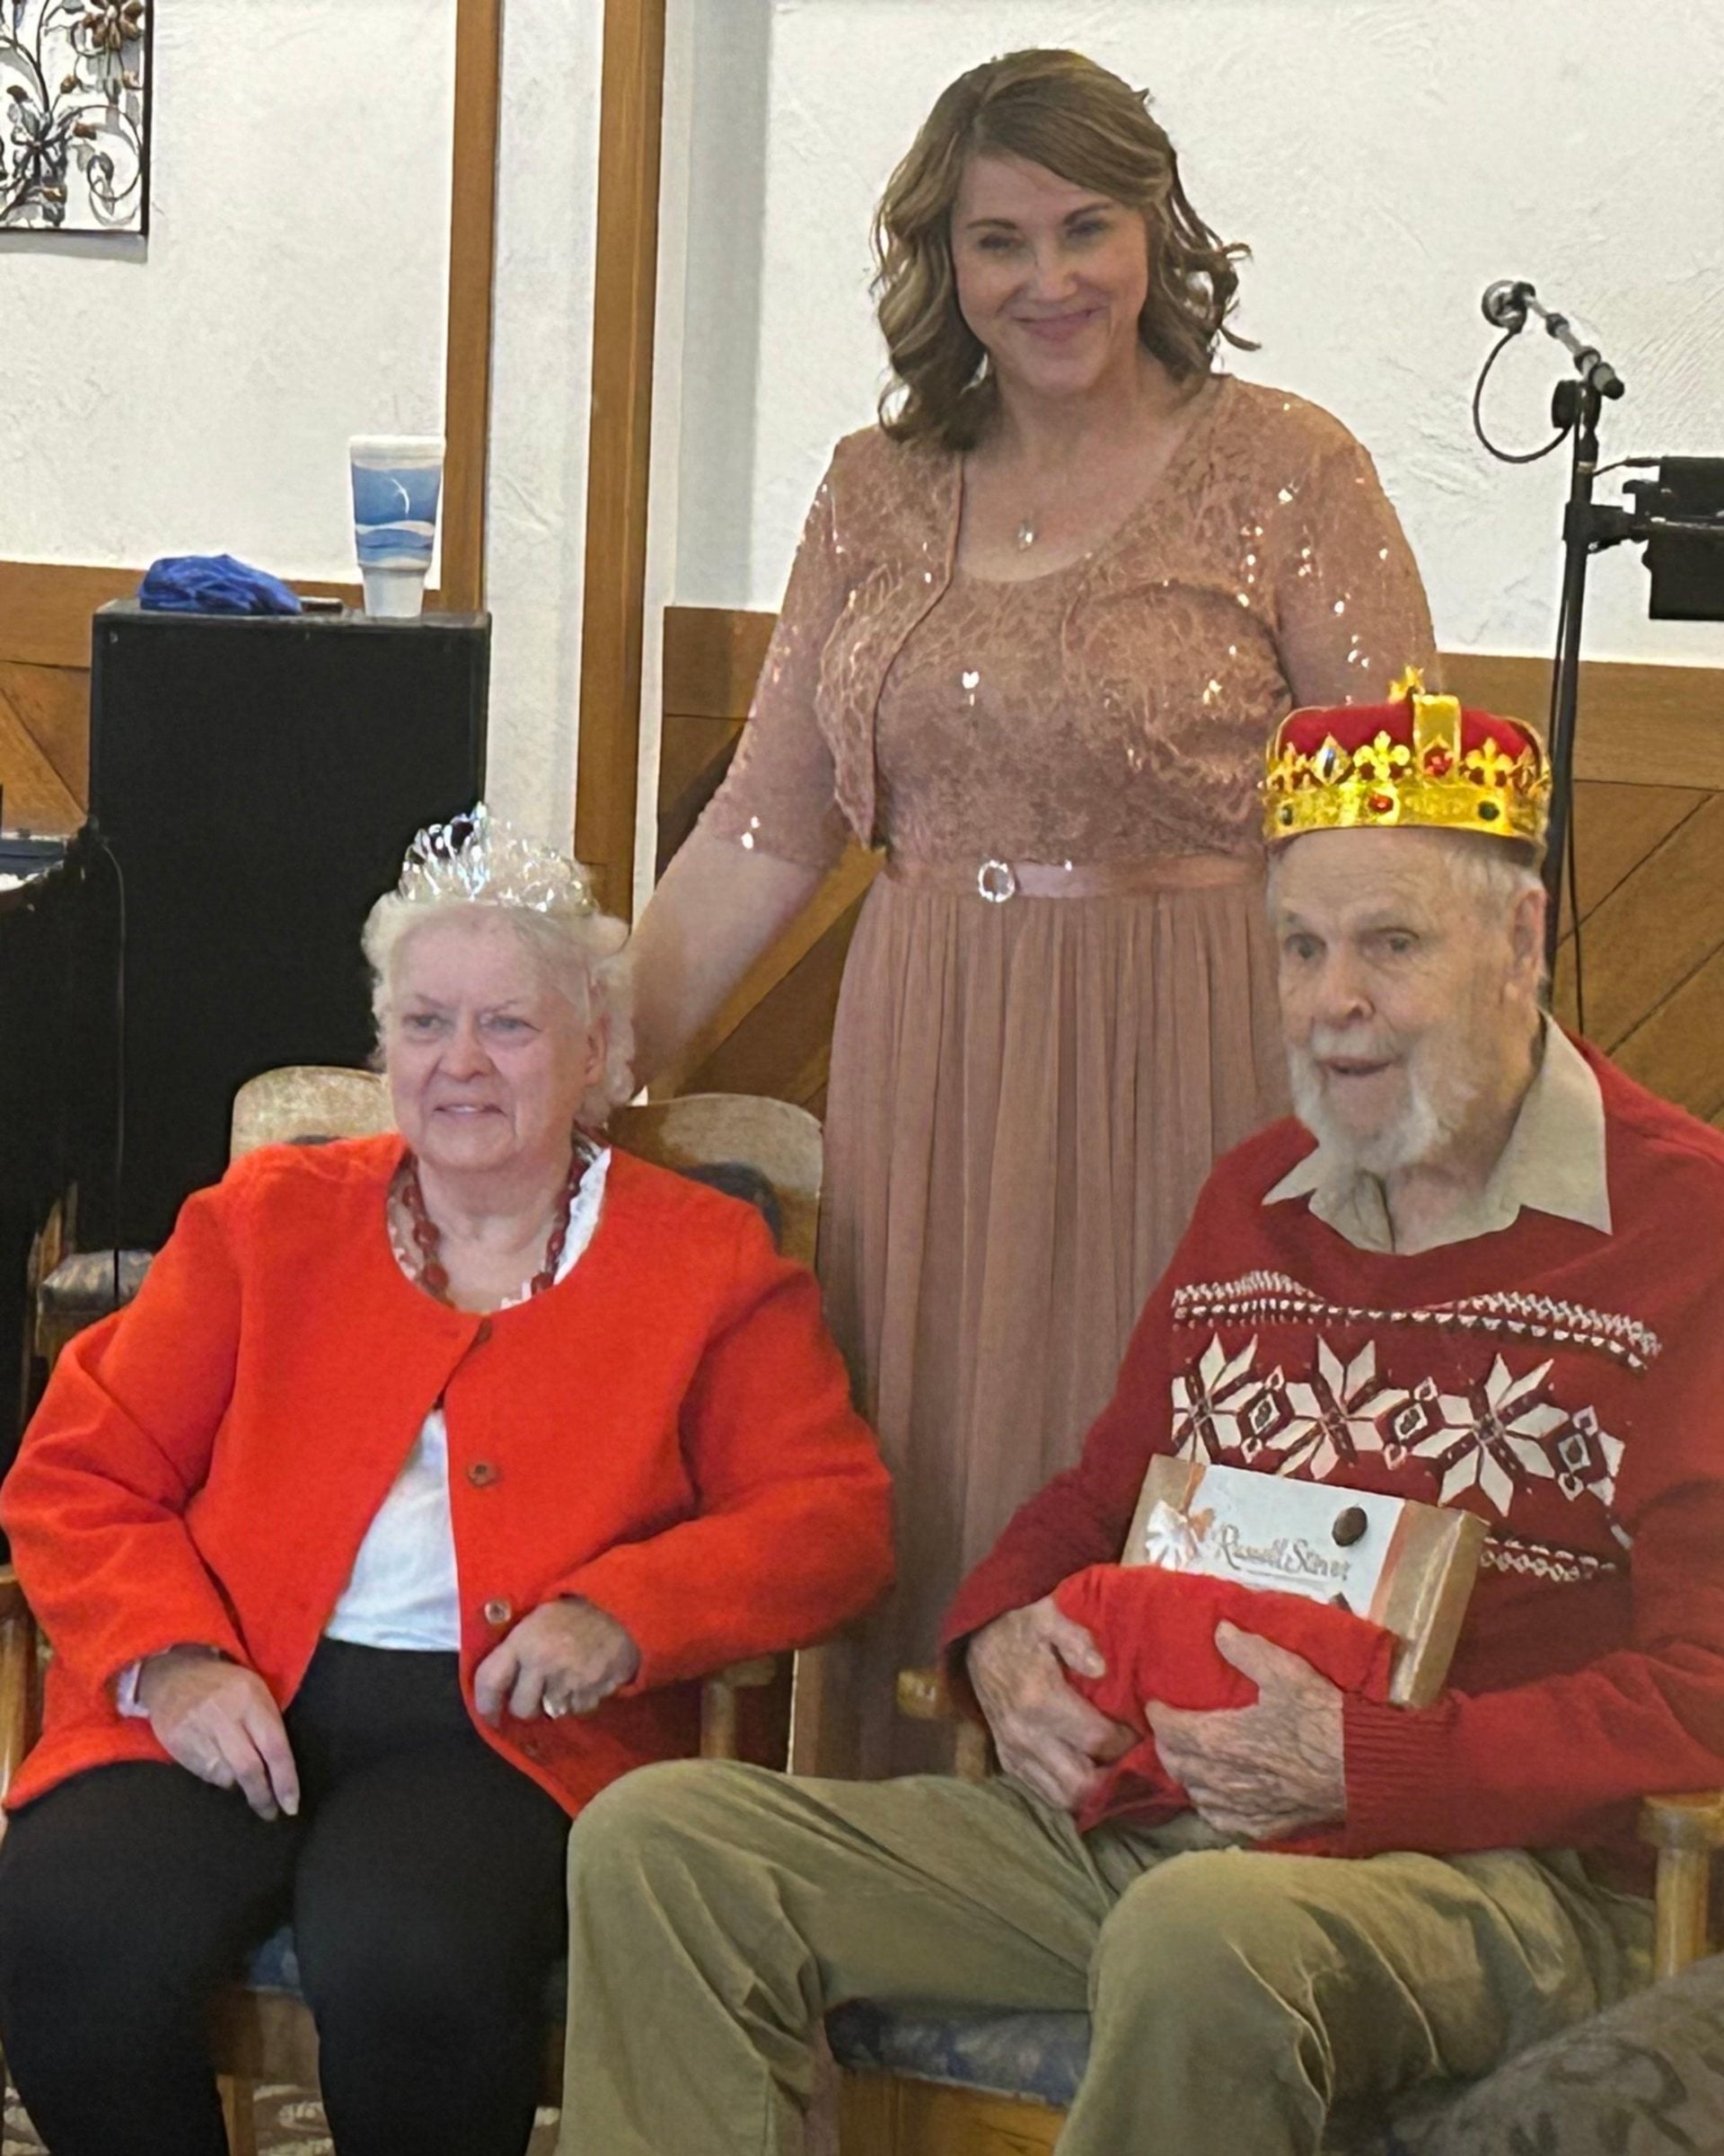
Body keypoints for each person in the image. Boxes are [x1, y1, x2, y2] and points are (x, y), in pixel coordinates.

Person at [554, 676, 1724, 2155]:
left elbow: (1705, 1685)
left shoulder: (1686, 1230)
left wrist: (1373, 1763)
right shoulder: (1255, 1197)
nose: (1333, 1000)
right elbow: (1096, 1494)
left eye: (1392, 943)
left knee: (1201, 1933)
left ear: (1523, 939)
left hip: (1495, 1877)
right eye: (1300, 946)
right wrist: (999, 1639)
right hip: (1159, 1824)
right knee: (663, 1845)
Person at [629, 48, 1437, 1766]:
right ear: (945, 262)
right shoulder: (872, 487)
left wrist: (1412, 1111)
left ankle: (1164, 1850)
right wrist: (584, 1060)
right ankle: (908, 1852)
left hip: (1204, 1046)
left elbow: (1407, 827)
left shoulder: (1289, 468)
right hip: (931, 1051)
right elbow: (765, 828)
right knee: (927, 1463)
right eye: (1001, 240)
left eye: (1087, 229)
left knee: (1170, 1453)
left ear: (1156, 234)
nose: (1049, 278)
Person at [0, 805, 893, 2156]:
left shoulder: (704, 1260)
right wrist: (170, 1661)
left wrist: (628, 1612)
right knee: (67, 1922)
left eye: (509, 1026)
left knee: (410, 1955)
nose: (460, 1062)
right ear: (386, 1048)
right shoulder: (264, 1223)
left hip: (509, 1734)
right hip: (231, 1687)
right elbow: (80, 1469)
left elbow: (831, 1517)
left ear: (597, 1048)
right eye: (425, 1024)